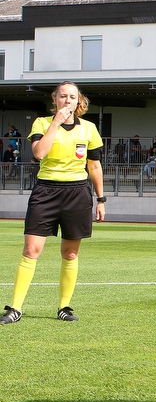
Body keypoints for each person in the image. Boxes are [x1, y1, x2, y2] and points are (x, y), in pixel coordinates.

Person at [0, 81, 106, 325]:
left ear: (78, 101)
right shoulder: (42, 123)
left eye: (72, 97)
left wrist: (101, 199)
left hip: (77, 193)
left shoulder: (89, 128)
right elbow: (39, 153)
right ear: (55, 99)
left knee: (70, 253)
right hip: (46, 191)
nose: (67, 100)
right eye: (63, 96)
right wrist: (56, 123)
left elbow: (95, 166)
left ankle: (64, 307)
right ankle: (15, 308)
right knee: (31, 250)